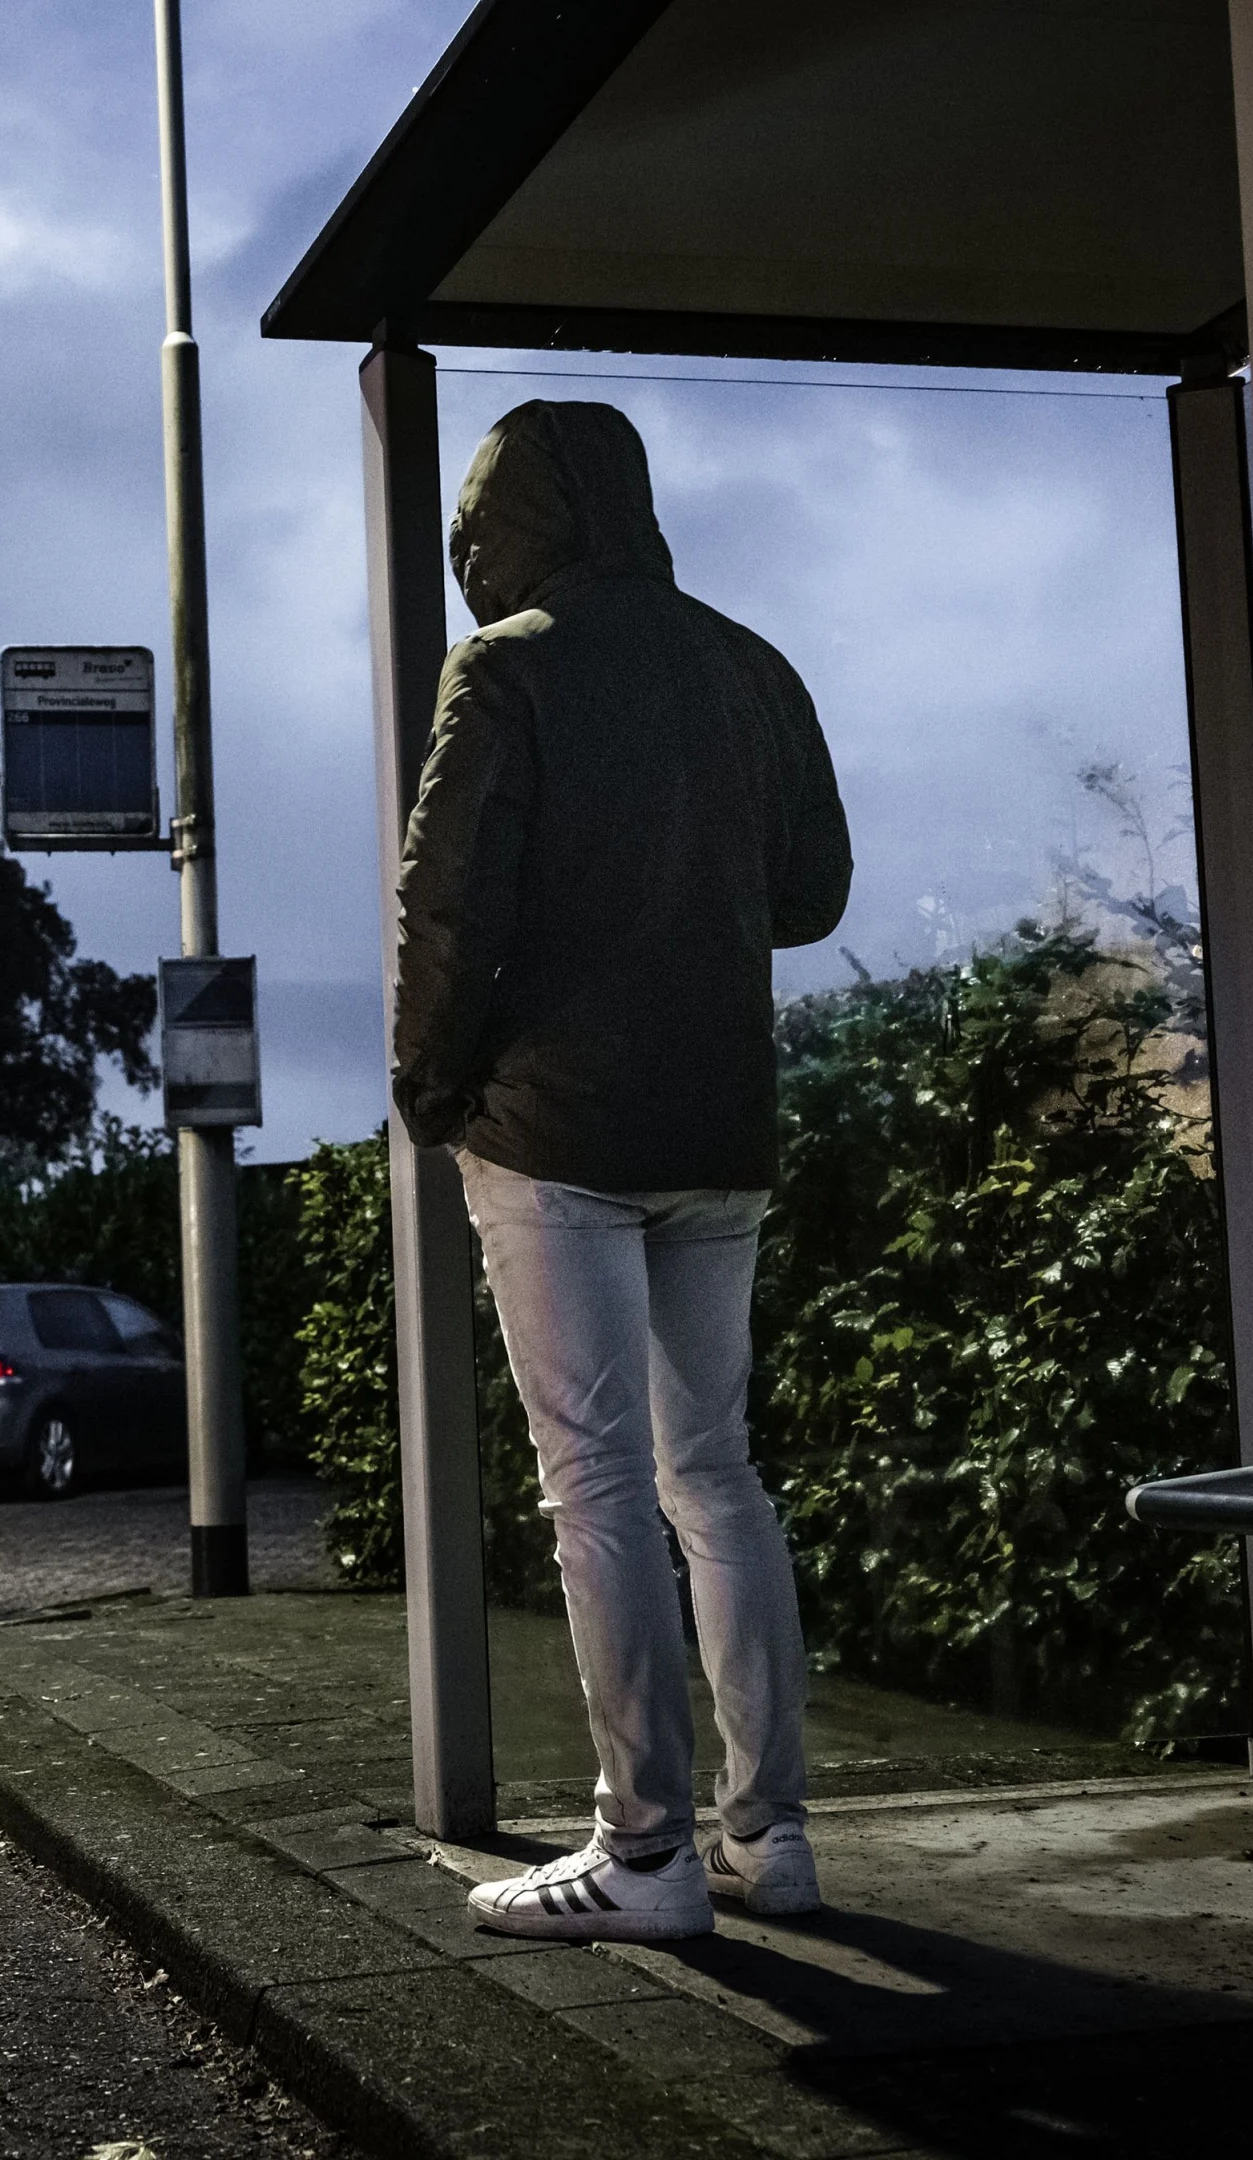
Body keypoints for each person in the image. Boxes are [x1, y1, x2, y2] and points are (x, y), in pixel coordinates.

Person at [391, 401, 851, 1944]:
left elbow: (448, 899)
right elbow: (815, 890)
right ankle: (769, 1842)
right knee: (713, 1475)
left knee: (594, 1487)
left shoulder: (505, 664)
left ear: (506, 524)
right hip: (719, 1126)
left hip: (557, 1133)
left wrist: (432, 1090)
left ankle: (643, 1858)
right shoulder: (749, 663)